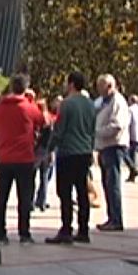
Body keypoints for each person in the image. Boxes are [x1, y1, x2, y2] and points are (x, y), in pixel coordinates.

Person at [0, 74, 44, 244]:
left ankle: (0, 232)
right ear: (25, 88)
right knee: (24, 197)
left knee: (1, 197)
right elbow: (43, 121)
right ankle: (24, 232)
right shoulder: (28, 107)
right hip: (25, 158)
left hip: (4, 158)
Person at [46, 72, 96, 245]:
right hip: (84, 152)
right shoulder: (90, 104)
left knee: (65, 192)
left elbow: (59, 130)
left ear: (72, 84)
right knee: (82, 191)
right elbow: (92, 130)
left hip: (68, 152)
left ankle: (66, 228)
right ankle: (84, 229)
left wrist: (49, 148)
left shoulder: (66, 104)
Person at [94, 74, 130, 232]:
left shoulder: (118, 102)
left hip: (113, 146)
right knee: (107, 184)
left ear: (109, 86)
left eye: (100, 87)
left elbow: (117, 125)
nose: (98, 90)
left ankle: (116, 219)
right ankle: (111, 217)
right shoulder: (104, 102)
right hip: (104, 147)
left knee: (112, 183)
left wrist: (98, 132)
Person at [33, 96, 55, 211]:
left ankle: (31, 201)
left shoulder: (38, 118)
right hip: (47, 150)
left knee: (32, 176)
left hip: (38, 150)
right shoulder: (50, 118)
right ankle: (42, 201)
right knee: (45, 177)